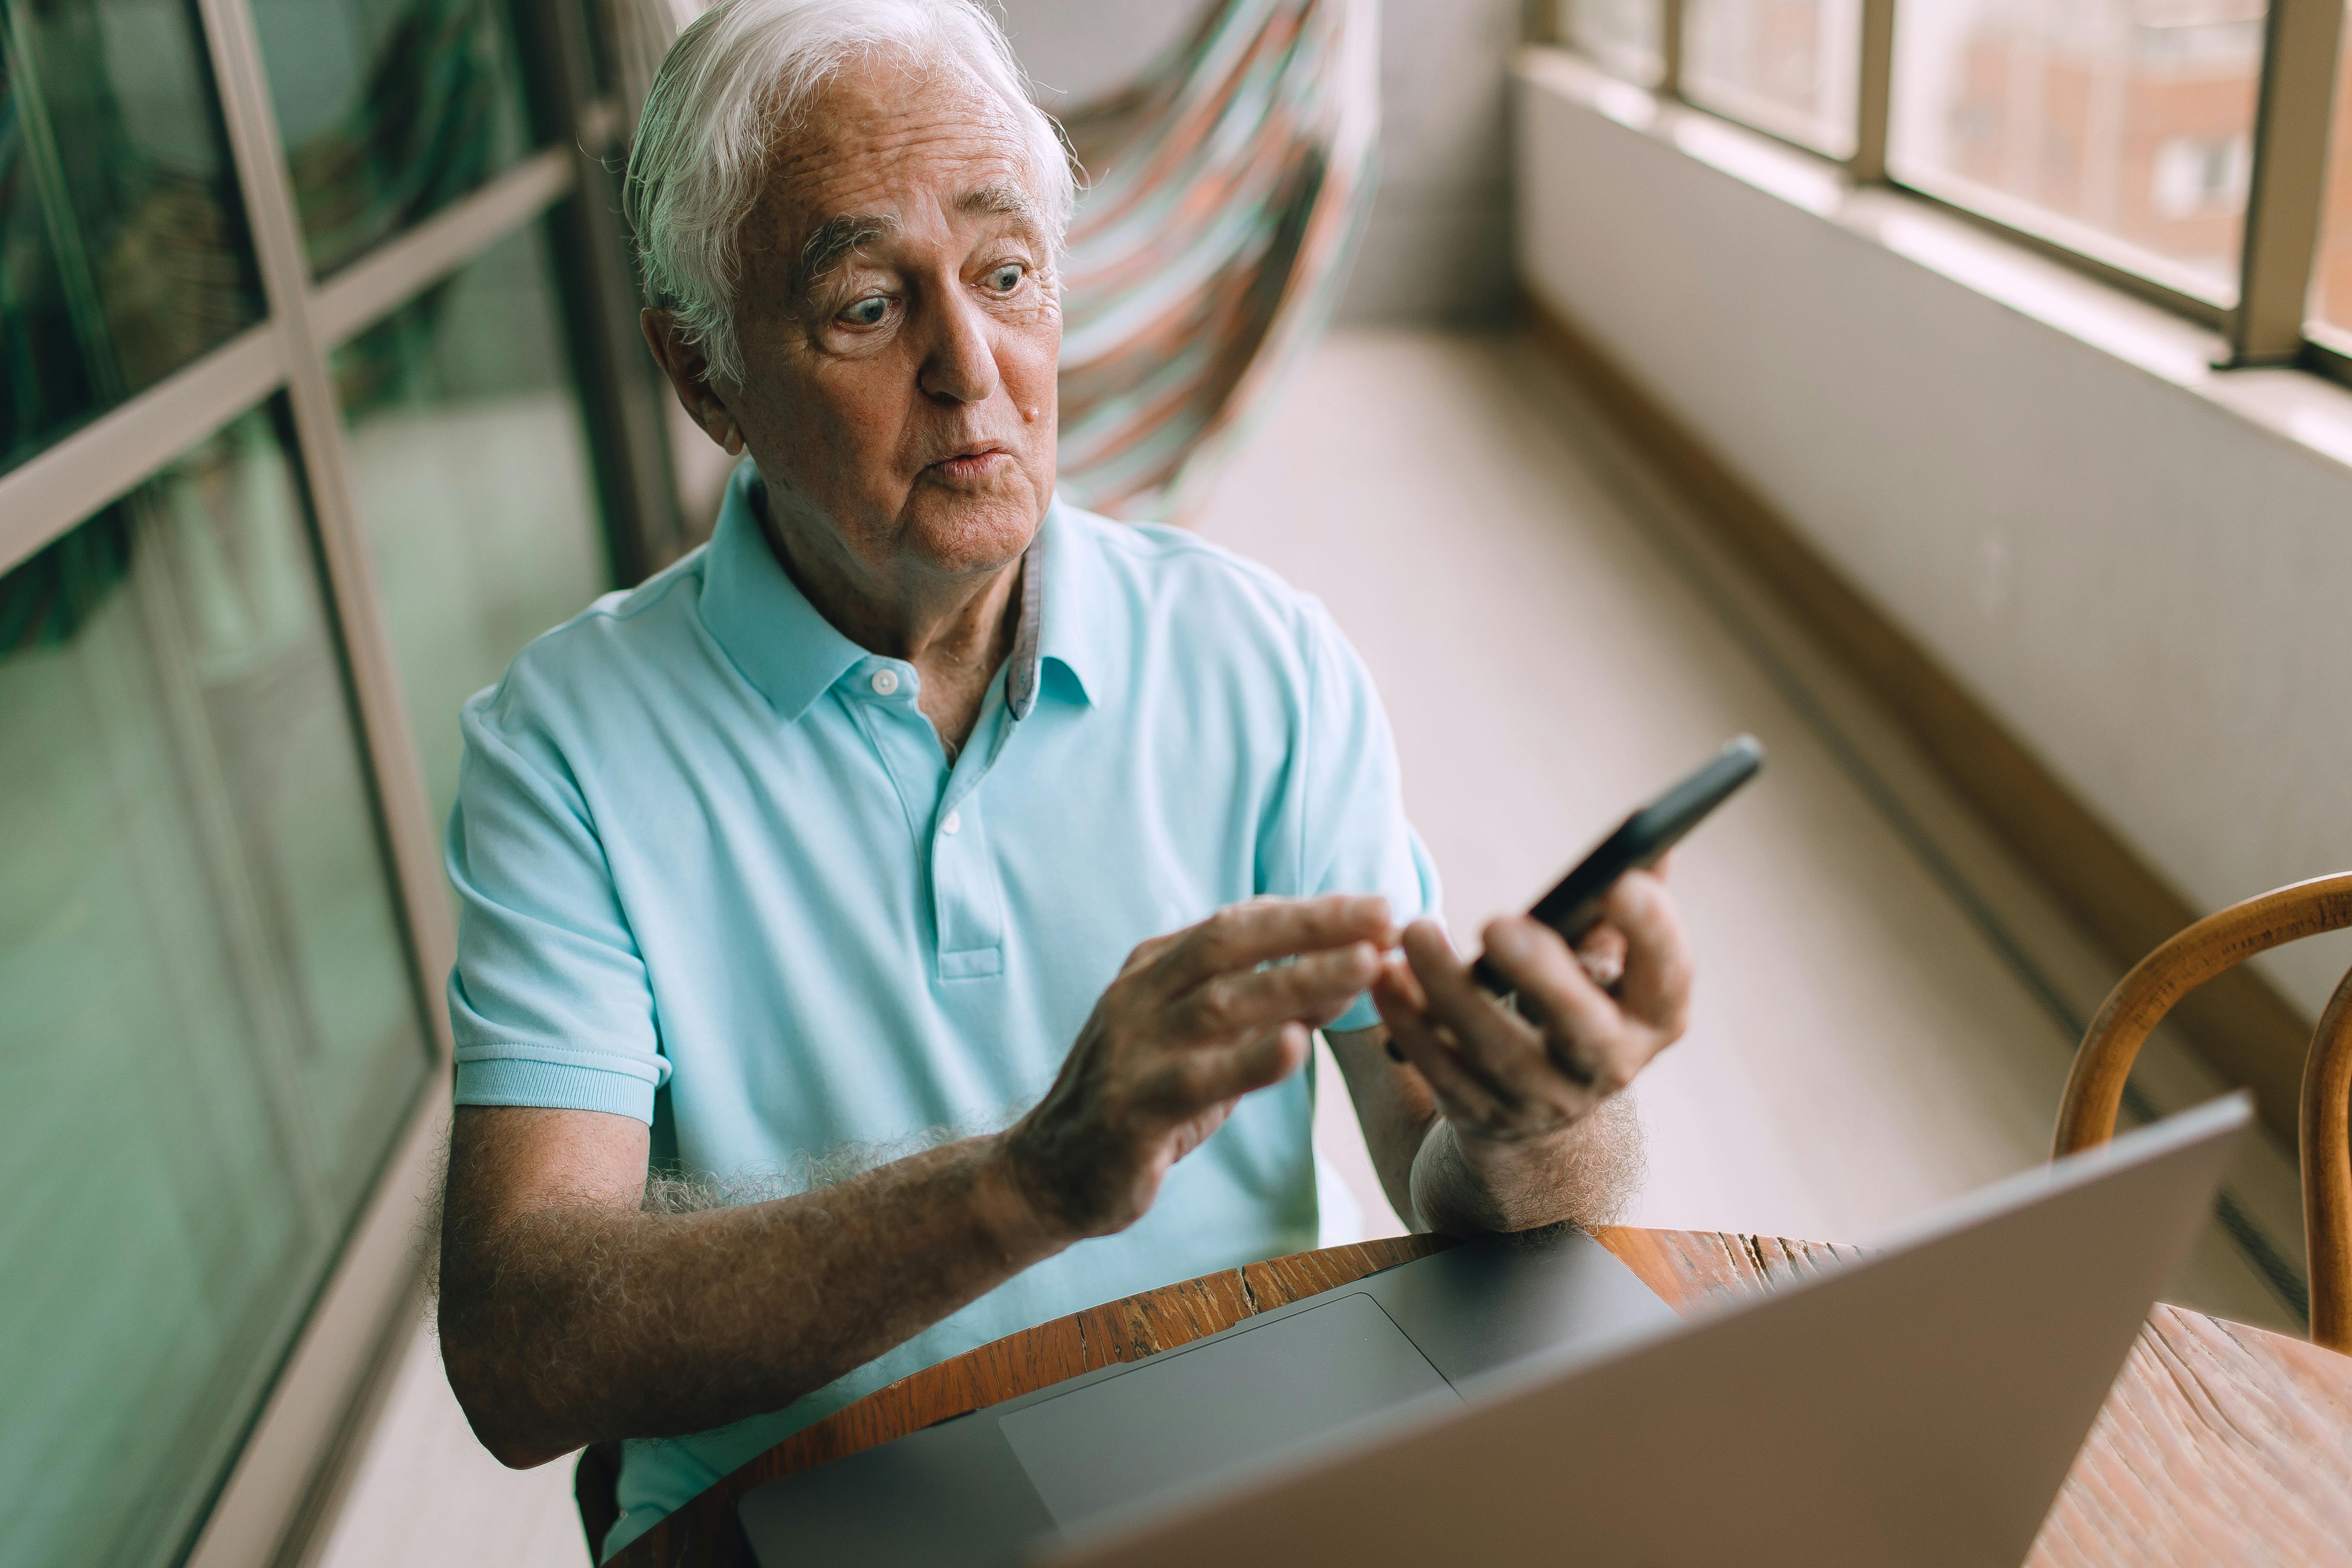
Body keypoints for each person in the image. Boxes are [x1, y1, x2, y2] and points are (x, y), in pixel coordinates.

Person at [433, 0, 1694, 1556]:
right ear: (705, 375)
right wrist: (1027, 1186)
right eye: (866, 306)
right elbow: (519, 1348)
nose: (972, 371)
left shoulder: (1259, 660)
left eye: (1007, 275)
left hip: (1235, 1472)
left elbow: (1447, 1164)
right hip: (811, 1509)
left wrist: (1545, 1120)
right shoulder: (564, 746)